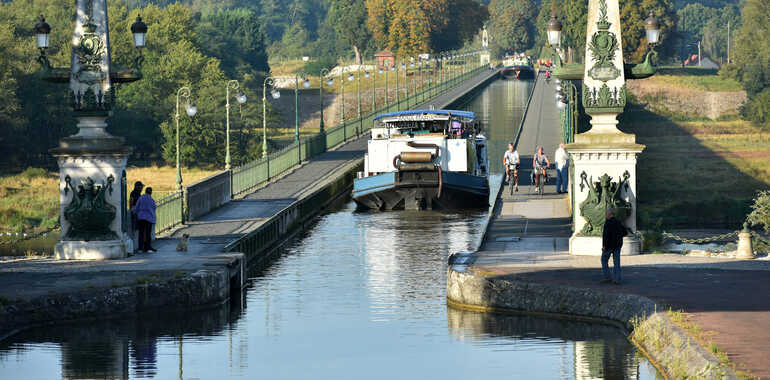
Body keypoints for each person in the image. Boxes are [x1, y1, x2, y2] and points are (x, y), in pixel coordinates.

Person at [601, 209, 627, 285]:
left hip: (609, 246)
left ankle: (607, 276)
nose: (605, 215)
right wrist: (618, 236)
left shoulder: (608, 223)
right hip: (617, 245)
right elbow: (625, 232)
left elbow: (606, 236)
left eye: (606, 214)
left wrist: (604, 246)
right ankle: (617, 279)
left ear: (609, 214)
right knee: (617, 263)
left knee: (604, 260)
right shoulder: (618, 222)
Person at [135, 187, 157, 253]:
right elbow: (154, 207)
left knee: (141, 233)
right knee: (148, 233)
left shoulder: (141, 198)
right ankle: (148, 248)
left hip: (141, 217)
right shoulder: (152, 200)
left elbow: (136, 208)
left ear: (145, 191)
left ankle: (140, 249)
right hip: (149, 218)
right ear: (151, 192)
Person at [128, 181, 144, 253]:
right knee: (134, 227)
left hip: (137, 211)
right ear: (138, 187)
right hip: (135, 211)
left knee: (138, 227)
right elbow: (131, 201)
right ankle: (135, 245)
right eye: (141, 187)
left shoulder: (137, 193)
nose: (142, 188)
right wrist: (131, 209)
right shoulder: (134, 193)